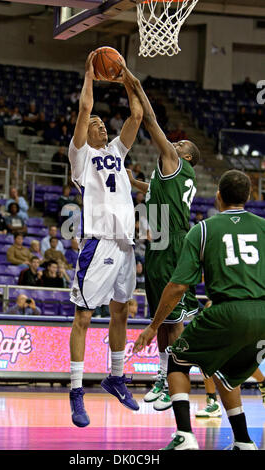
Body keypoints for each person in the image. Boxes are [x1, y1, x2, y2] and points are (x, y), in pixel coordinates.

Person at [134, 169, 265, 450]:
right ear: (251, 196)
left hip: (227, 311)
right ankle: (243, 441)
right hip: (262, 314)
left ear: (218, 198)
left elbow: (178, 286)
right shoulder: (263, 227)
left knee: (176, 360)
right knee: (226, 374)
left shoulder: (203, 229)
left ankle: (184, 435)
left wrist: (154, 326)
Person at [68, 51, 143, 428]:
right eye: (94, 123)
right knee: (84, 317)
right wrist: (89, 75)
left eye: (101, 122)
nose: (98, 123)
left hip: (125, 244)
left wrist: (127, 76)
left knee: (121, 312)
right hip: (97, 242)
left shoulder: (116, 150)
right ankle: (76, 392)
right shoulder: (81, 157)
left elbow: (138, 117)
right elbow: (84, 110)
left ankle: (115, 377)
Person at [123, 64, 200, 412]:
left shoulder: (174, 161)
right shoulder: (165, 176)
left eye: (179, 143)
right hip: (159, 242)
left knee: (175, 320)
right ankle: (162, 376)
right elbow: (149, 189)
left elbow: (151, 122)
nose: (174, 141)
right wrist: (127, 178)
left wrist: (135, 84)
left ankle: (177, 379)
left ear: (184, 156)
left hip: (172, 242)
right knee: (164, 317)